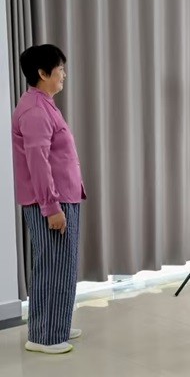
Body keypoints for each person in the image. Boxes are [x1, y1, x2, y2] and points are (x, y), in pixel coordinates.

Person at [12, 44, 86, 354]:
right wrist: (51, 206)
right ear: (43, 73)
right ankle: (44, 337)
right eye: (60, 69)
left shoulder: (44, 104)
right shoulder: (34, 110)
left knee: (62, 265)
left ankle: (57, 325)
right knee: (52, 266)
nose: (64, 74)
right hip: (52, 201)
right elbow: (38, 162)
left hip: (63, 195)